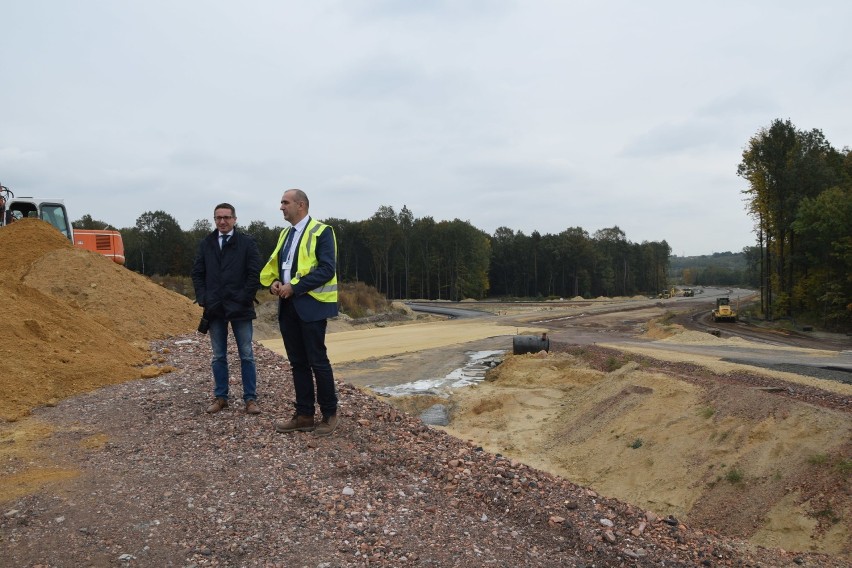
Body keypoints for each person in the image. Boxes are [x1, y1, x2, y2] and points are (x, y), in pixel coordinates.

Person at [261, 188, 340, 436]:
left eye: (285, 202)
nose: (281, 207)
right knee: (298, 364)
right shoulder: (285, 234)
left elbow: (327, 269)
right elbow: (279, 266)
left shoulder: (322, 231)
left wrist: (294, 287)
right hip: (288, 307)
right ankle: (304, 415)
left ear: (301, 205)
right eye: (281, 203)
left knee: (318, 362)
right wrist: (274, 282)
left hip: (312, 306)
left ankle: (330, 415)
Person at [191, 203, 263, 415]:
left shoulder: (247, 243)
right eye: (218, 218)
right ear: (215, 219)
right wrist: (203, 298)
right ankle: (221, 397)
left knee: (247, 354)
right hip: (214, 308)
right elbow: (197, 273)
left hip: (240, 307)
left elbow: (254, 274)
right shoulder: (207, 243)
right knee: (218, 356)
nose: (222, 221)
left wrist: (244, 297)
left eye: (226, 217)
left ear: (234, 219)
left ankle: (250, 399)